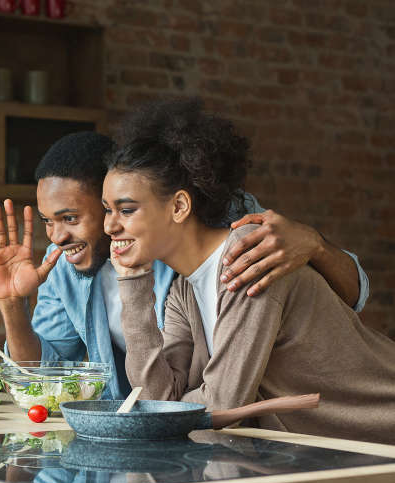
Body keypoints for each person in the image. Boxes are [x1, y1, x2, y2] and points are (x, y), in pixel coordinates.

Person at [0, 131, 369, 400]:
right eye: (49, 221)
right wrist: (13, 305)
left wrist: (316, 245)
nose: (57, 237)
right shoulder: (64, 267)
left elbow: (345, 297)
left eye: (70, 218)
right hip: (178, 428)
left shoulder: (220, 229)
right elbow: (42, 376)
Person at [103, 98, 395, 443]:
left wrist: (175, 411)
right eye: (107, 210)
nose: (110, 225)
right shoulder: (184, 291)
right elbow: (153, 402)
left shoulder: (248, 256)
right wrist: (134, 281)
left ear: (179, 206)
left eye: (126, 210)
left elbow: (223, 404)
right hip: (338, 450)